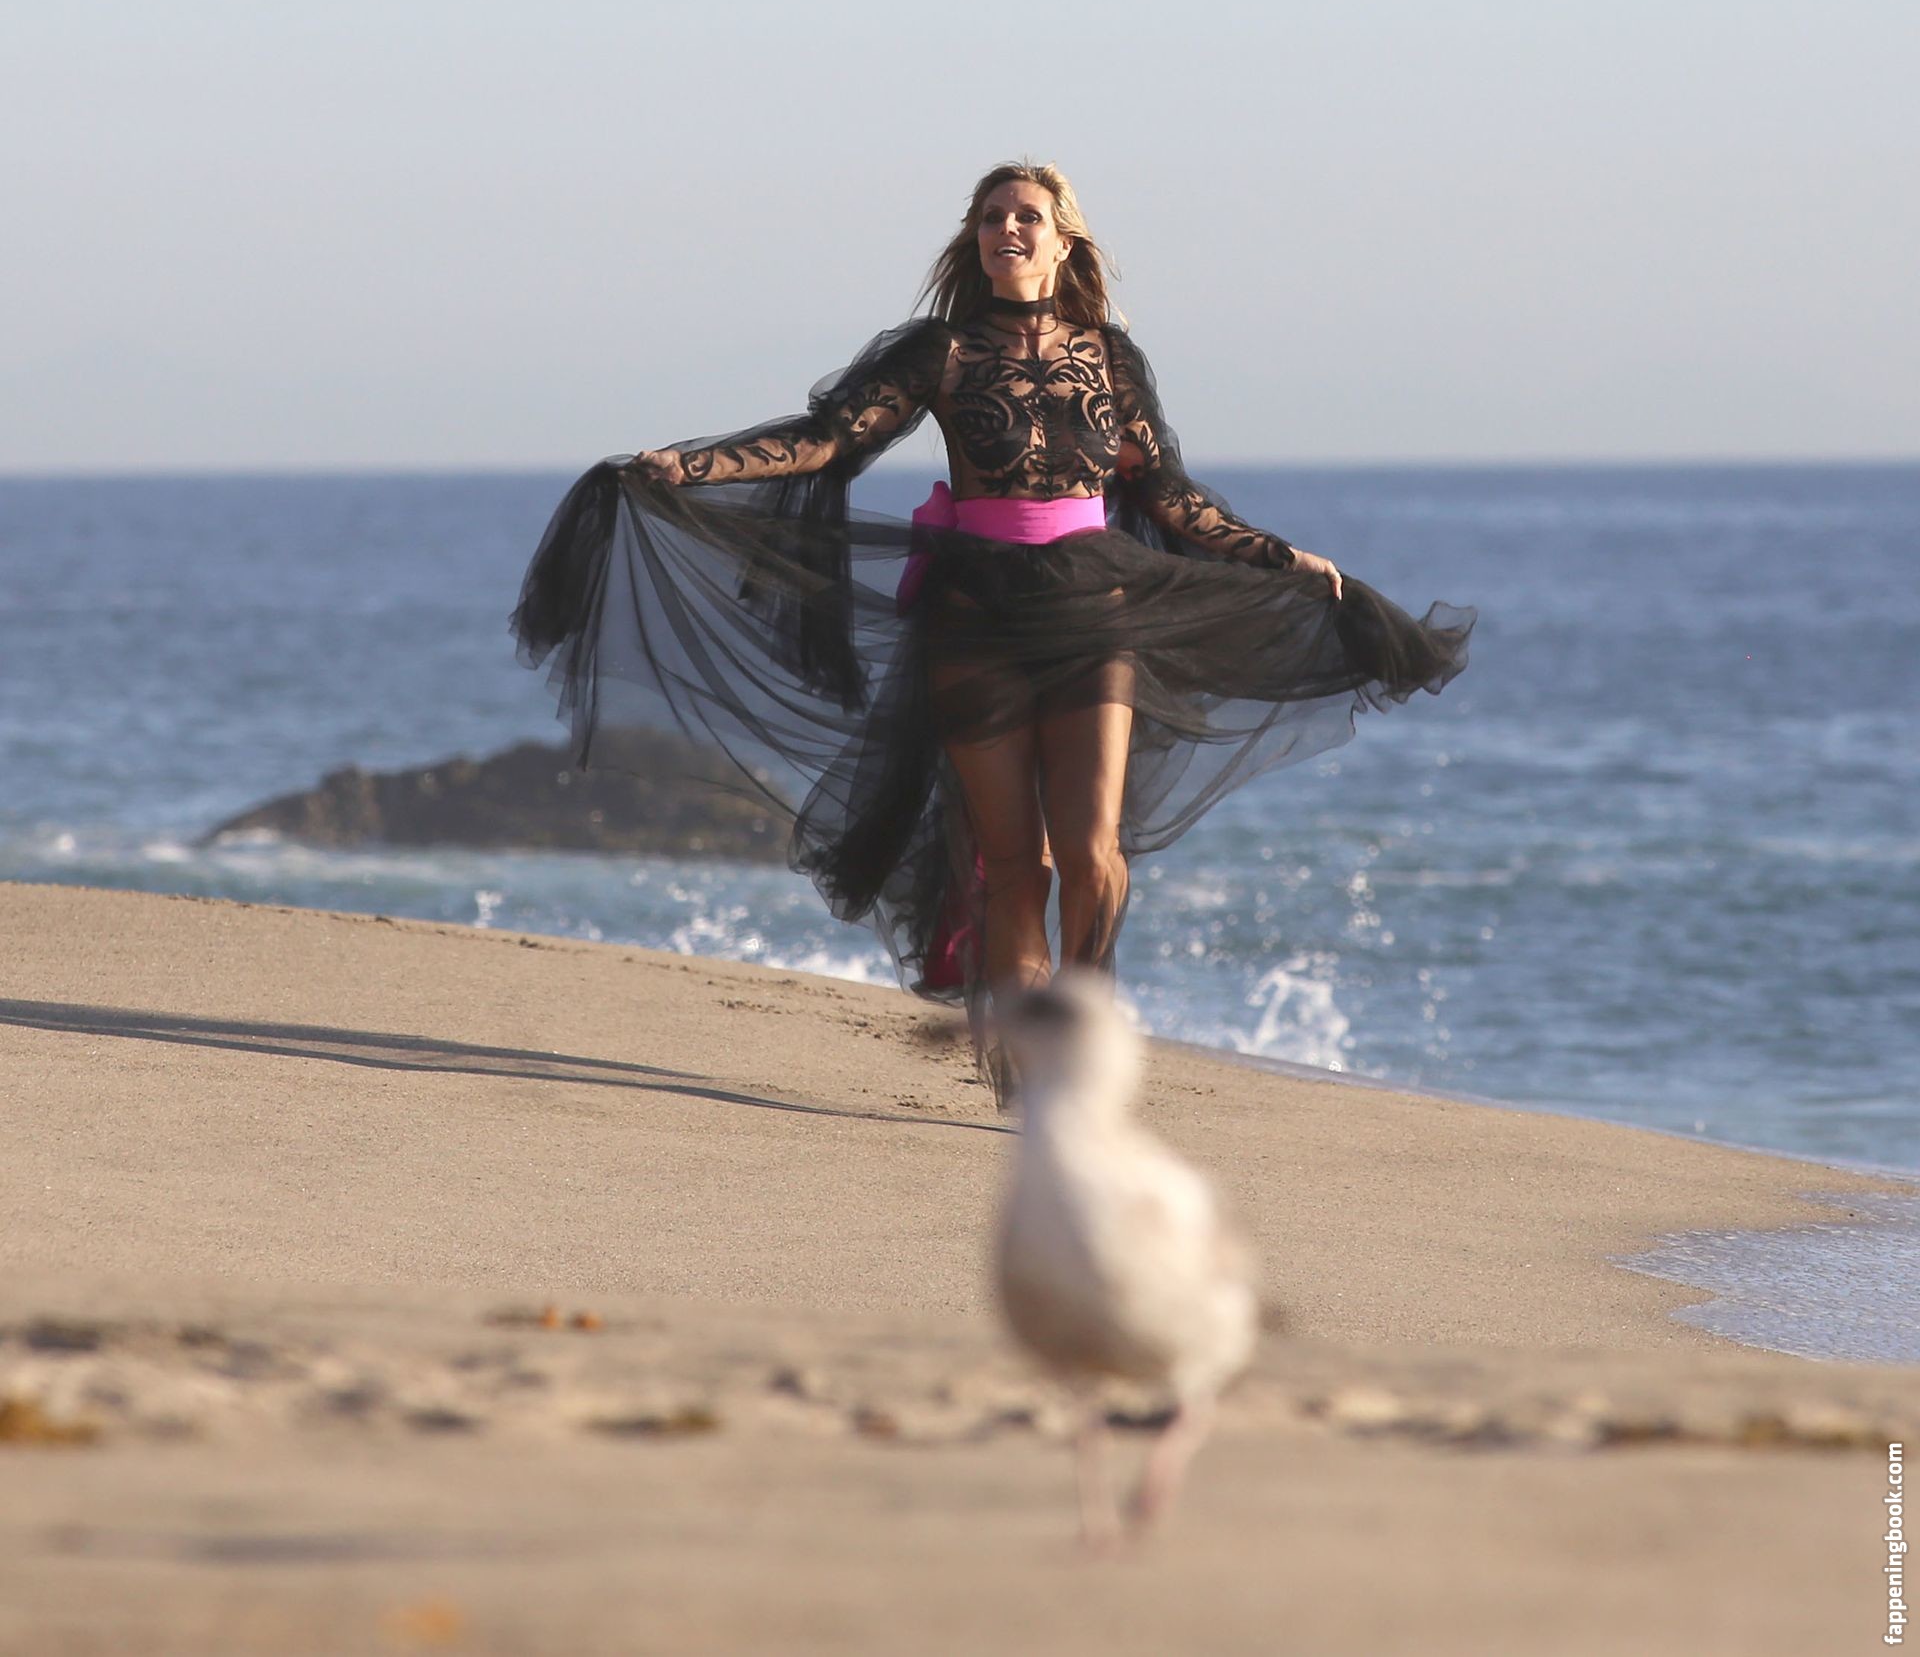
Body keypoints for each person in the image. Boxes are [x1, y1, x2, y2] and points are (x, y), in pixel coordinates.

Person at [512, 161, 1474, 1105]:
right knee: (1015, 864)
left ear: (1064, 242)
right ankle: (1033, 1066)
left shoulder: (1111, 357)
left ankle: (1083, 1033)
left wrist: (1277, 555)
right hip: (976, 621)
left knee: (1090, 852)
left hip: (1095, 610)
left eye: (1026, 216)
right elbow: (828, 438)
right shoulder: (944, 352)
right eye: (990, 217)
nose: (1006, 229)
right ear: (973, 240)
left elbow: (1165, 492)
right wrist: (691, 466)